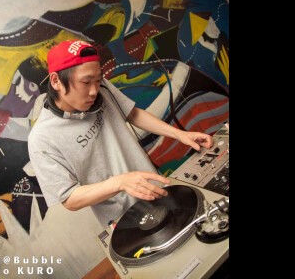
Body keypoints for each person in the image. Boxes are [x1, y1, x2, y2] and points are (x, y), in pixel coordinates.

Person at [28, 39, 213, 228]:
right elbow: (70, 199)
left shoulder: (101, 87)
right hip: (125, 222)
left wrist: (179, 134)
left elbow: (132, 114)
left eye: (98, 80)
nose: (94, 91)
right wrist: (118, 183)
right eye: (86, 82)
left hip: (156, 190)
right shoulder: (41, 140)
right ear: (56, 81)